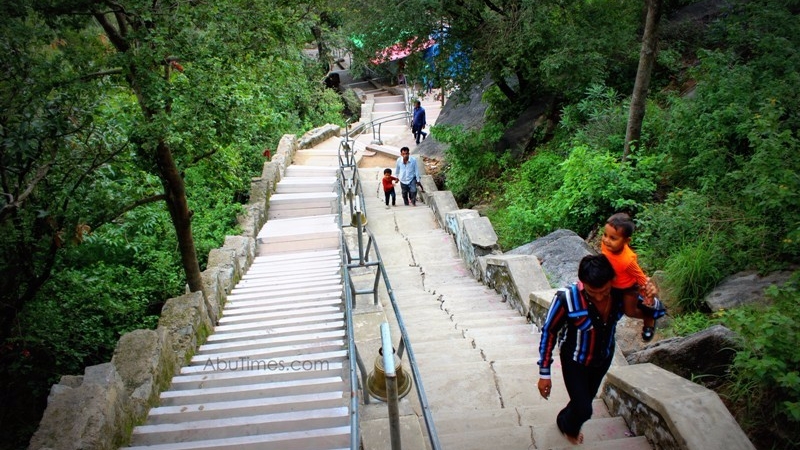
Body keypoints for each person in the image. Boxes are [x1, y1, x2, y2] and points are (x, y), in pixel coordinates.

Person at [537, 254, 650, 445]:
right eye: (592, 292)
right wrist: (544, 373)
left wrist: (651, 294)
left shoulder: (621, 294)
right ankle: (566, 424)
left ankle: (567, 417)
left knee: (585, 400)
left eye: (604, 291)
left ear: (611, 282)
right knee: (584, 409)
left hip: (603, 358)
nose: (599, 297)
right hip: (575, 360)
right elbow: (549, 332)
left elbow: (649, 306)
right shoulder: (567, 298)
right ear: (582, 283)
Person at [601, 212, 665, 341]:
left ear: (626, 241)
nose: (606, 240)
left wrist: (647, 291)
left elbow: (640, 276)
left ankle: (649, 319)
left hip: (628, 287)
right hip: (613, 283)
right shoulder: (606, 246)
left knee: (629, 311)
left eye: (613, 238)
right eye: (605, 235)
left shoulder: (627, 260)